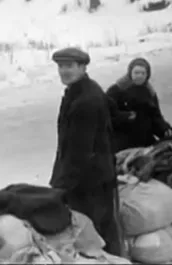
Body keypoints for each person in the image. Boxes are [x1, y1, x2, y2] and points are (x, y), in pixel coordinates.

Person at [50, 47, 121, 256]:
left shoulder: (85, 100)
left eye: (70, 66)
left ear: (82, 67)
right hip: (95, 178)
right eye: (61, 66)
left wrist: (61, 186)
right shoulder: (80, 92)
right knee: (103, 234)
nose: (64, 71)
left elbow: (80, 151)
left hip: (89, 182)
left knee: (93, 239)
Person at [106, 58, 172, 152]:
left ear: (147, 75)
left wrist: (163, 129)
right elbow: (106, 115)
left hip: (145, 141)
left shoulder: (150, 92)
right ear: (130, 72)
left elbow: (155, 115)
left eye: (143, 73)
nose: (139, 76)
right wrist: (125, 117)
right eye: (136, 72)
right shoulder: (116, 90)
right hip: (121, 143)